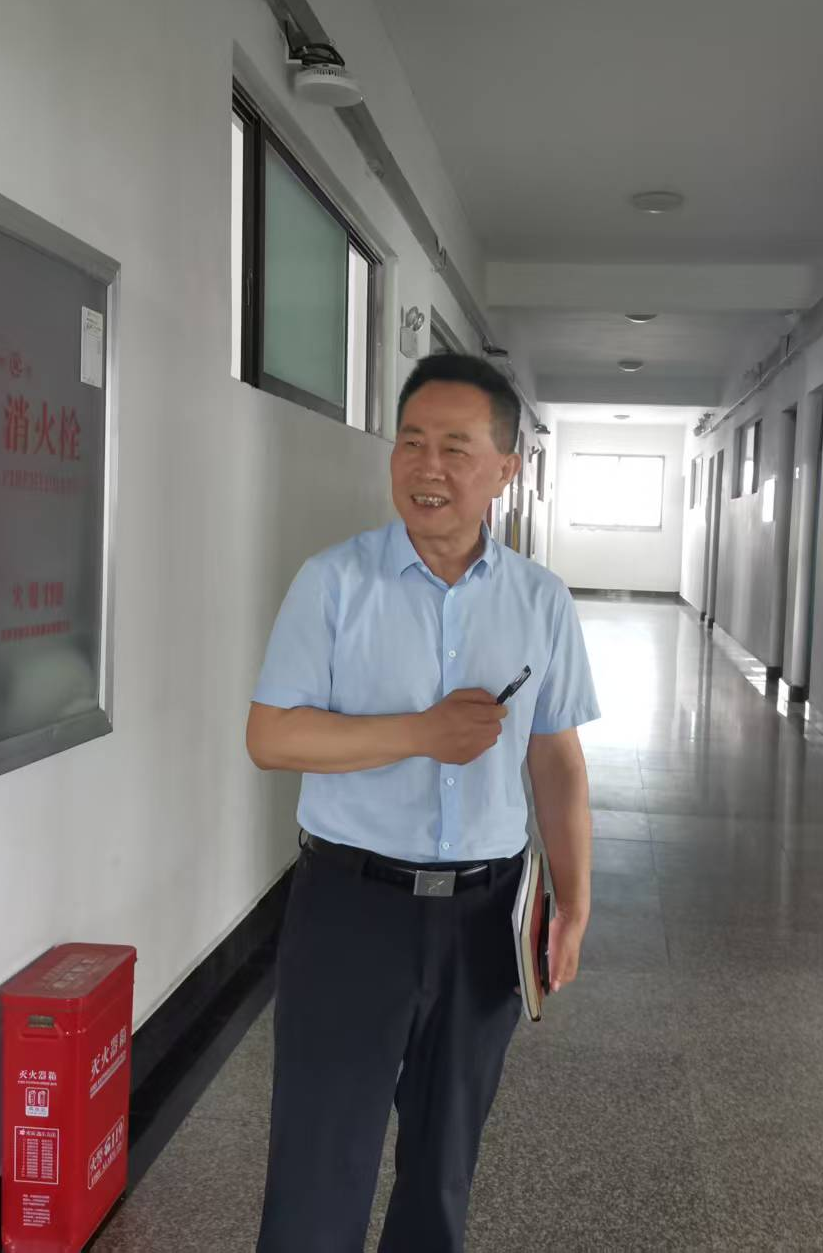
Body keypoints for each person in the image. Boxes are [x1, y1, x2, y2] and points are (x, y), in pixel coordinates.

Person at [246, 352, 599, 1251]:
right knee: (318, 1169)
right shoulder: (334, 583)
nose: (427, 466)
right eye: (410, 442)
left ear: (506, 468)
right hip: (350, 910)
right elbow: (272, 736)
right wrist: (420, 732)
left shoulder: (541, 602)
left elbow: (556, 758)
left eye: (454, 446)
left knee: (443, 1172)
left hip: (486, 914)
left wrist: (574, 898)